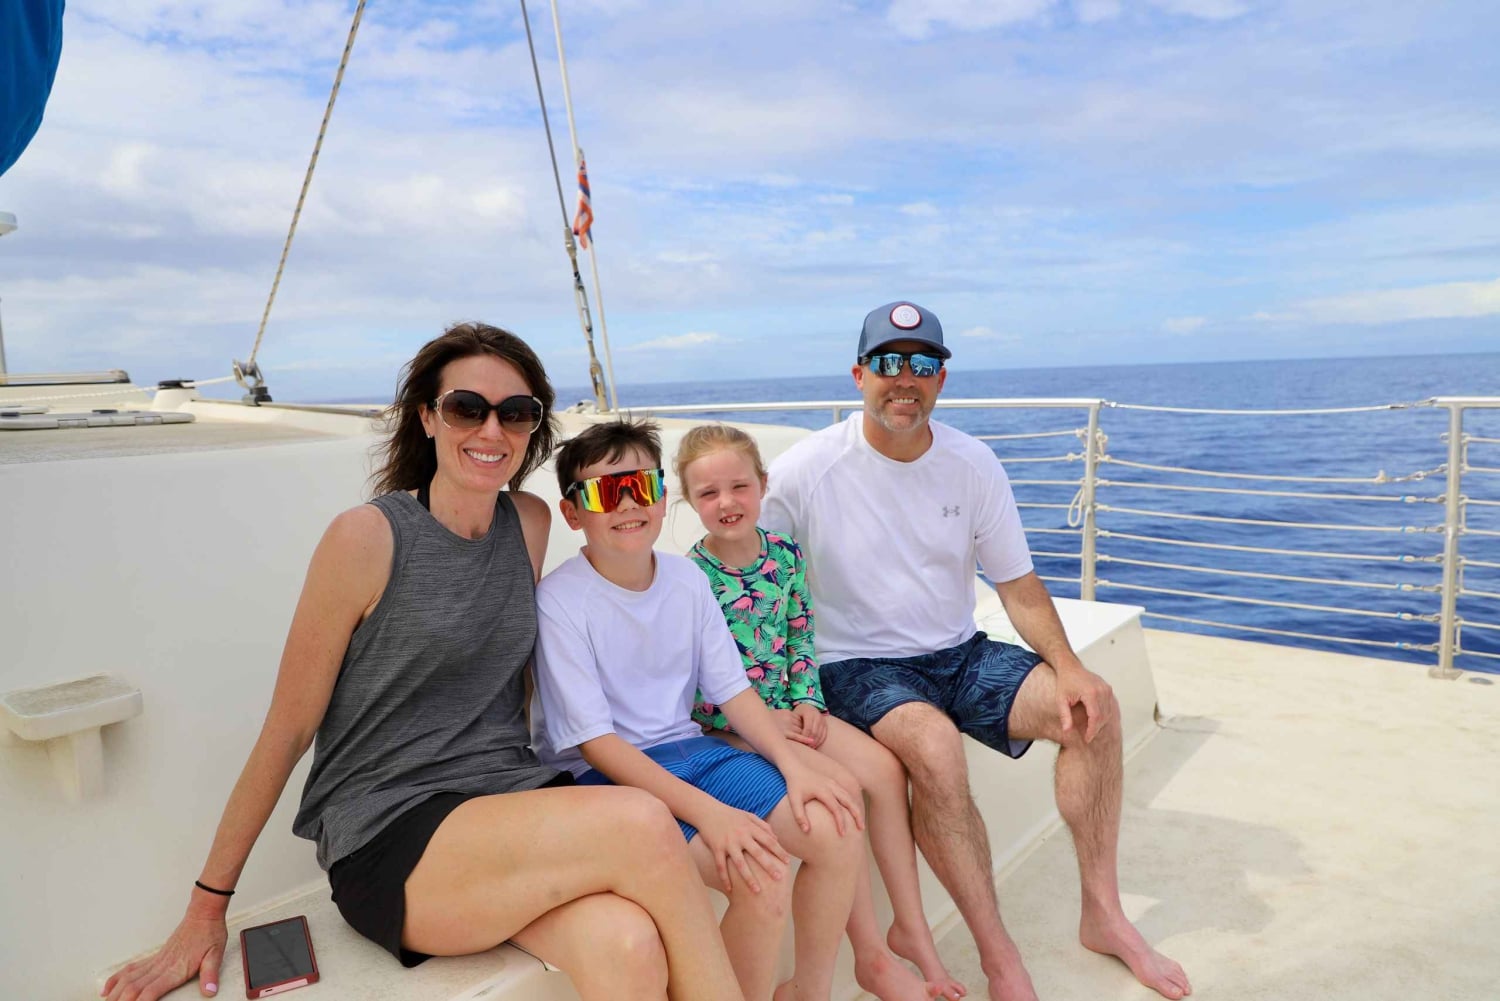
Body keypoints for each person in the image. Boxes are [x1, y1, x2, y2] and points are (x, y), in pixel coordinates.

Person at [102, 323, 746, 1001]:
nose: (492, 430)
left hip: (511, 801)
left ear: (533, 428)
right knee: (643, 820)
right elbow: (288, 729)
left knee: (628, 944)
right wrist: (207, 907)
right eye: (469, 408)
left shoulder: (528, 522)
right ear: (428, 417)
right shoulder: (368, 538)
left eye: (516, 413)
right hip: (391, 829)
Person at [761, 302, 1193, 1001]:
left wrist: (1071, 667)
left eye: (923, 364)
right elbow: (754, 579)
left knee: (1093, 709)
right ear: (859, 374)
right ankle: (1000, 958)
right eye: (889, 363)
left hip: (958, 653)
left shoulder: (972, 462)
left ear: (941, 379)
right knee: (932, 743)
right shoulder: (804, 471)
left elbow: (1018, 586)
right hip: (853, 666)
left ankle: (1103, 914)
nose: (906, 378)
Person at [531, 418, 864, 1001]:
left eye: (644, 484)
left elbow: (734, 694)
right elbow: (595, 745)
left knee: (835, 826)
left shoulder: (686, 579)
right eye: (607, 491)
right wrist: (711, 814)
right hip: (610, 777)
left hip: (694, 751)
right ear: (572, 512)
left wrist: (795, 766)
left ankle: (808, 992)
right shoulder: (560, 601)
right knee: (760, 877)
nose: (630, 503)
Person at [674, 423, 967, 1001]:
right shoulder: (690, 578)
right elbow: (688, 683)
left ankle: (903, 935)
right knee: (838, 794)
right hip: (729, 729)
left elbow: (801, 635)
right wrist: (752, 722)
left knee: (883, 770)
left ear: (763, 485)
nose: (727, 502)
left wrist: (807, 699)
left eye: (739, 486)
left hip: (793, 710)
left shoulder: (784, 556)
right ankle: (868, 962)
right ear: (689, 500)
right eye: (708, 494)